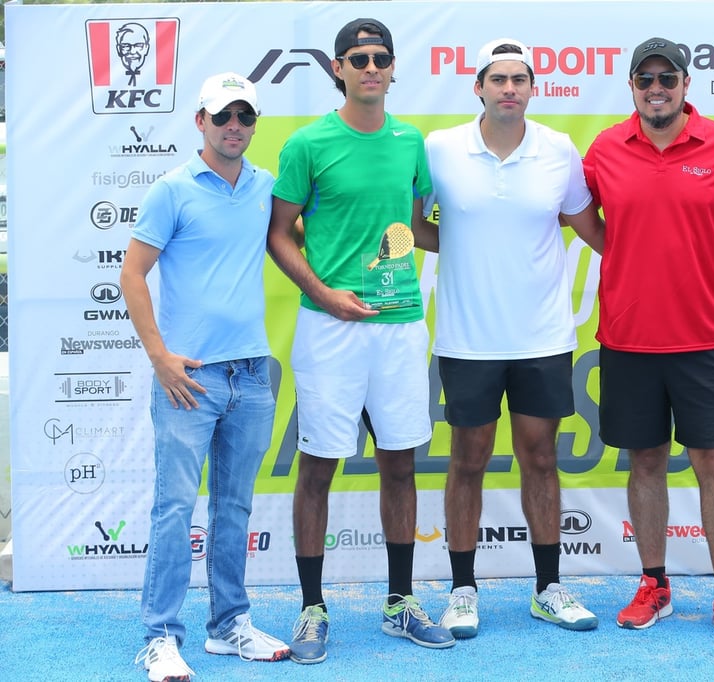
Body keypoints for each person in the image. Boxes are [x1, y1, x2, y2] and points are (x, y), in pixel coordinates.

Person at [266, 18, 453, 663]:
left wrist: (493, 233)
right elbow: (279, 233)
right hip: (331, 328)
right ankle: (312, 608)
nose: (371, 67)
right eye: (358, 58)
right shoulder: (307, 144)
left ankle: (400, 603)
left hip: (401, 327)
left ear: (394, 69)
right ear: (338, 69)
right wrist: (322, 294)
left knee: (401, 462)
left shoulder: (410, 142)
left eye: (381, 58)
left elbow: (423, 224)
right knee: (318, 465)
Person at [418, 38, 605, 639]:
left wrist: (653, 262)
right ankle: (463, 590)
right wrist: (463, 249)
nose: (508, 89)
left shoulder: (559, 150)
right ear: (478, 87)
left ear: (532, 89)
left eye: (518, 80)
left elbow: (587, 224)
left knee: (541, 459)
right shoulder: (441, 148)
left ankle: (548, 588)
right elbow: (411, 221)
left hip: (542, 337)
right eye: (497, 80)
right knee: (467, 461)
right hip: (467, 340)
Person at [582, 38, 714, 642]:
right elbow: (583, 215)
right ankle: (654, 585)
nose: (656, 87)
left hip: (705, 338)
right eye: (645, 77)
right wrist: (626, 254)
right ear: (632, 85)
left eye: (667, 77)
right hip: (628, 339)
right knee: (646, 461)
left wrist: (703, 258)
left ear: (685, 83)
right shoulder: (606, 147)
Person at [124, 72, 289, 682]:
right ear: (200, 121)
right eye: (222, 117)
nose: (234, 127)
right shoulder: (171, 189)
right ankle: (161, 637)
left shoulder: (265, 186)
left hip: (251, 374)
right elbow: (133, 275)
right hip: (188, 378)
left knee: (235, 506)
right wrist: (160, 357)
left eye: (244, 117)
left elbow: (302, 240)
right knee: (174, 508)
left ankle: (228, 626)